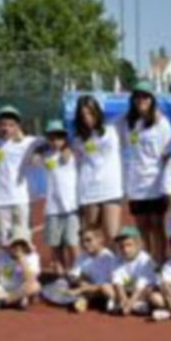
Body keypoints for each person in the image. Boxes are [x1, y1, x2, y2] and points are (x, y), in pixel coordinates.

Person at [120, 81, 171, 265]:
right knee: (142, 227)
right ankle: (148, 265)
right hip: (136, 184)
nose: (141, 100)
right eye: (138, 96)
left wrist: (168, 184)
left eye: (145, 96)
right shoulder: (126, 122)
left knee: (157, 226)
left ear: (152, 99)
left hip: (156, 183)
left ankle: (161, 262)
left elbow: (168, 154)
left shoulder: (162, 123)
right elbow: (106, 130)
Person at [0, 105, 41, 246]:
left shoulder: (27, 142)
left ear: (18, 127)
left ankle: (27, 261)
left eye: (11, 125)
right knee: (3, 241)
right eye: (2, 125)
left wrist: (37, 153)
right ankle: (7, 260)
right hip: (0, 201)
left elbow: (48, 142)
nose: (6, 128)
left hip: (20, 199)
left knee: (24, 239)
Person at [72, 95, 123, 241]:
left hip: (110, 188)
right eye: (83, 115)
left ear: (97, 113)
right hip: (89, 190)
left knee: (112, 235)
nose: (87, 118)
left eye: (90, 113)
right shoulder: (78, 139)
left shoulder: (112, 130)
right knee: (91, 237)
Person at [36, 120, 80, 279]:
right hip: (52, 208)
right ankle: (60, 275)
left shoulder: (71, 153)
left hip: (70, 207)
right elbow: (35, 156)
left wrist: (67, 147)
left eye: (59, 138)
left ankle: (77, 273)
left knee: (72, 243)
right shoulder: (46, 155)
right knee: (55, 246)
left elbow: (70, 152)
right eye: (52, 138)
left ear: (65, 139)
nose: (55, 142)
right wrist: (41, 149)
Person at [67, 228, 117, 313]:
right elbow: (73, 275)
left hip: (104, 291)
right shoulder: (82, 255)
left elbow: (104, 285)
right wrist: (80, 281)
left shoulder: (109, 258)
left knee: (106, 288)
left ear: (100, 239)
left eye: (88, 240)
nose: (85, 244)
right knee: (68, 281)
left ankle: (114, 302)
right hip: (90, 289)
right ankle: (86, 300)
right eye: (82, 241)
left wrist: (81, 289)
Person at [111, 226, 157, 316]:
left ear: (138, 245)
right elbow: (117, 282)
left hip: (141, 292)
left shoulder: (145, 260)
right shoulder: (117, 259)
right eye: (121, 246)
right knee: (109, 288)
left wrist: (129, 304)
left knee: (150, 291)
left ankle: (136, 305)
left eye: (129, 245)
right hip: (128, 291)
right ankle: (135, 306)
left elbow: (141, 285)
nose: (125, 250)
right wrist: (124, 300)